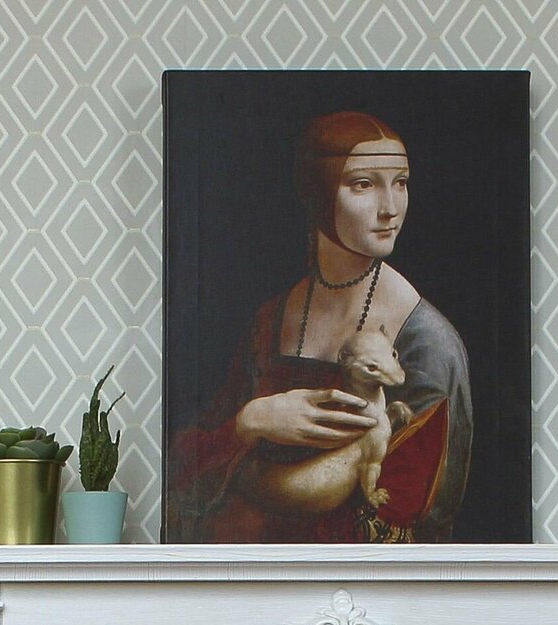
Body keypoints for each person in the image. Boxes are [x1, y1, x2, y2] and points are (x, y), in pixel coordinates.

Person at [166, 111, 473, 543]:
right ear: (317, 191)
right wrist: (251, 420)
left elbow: (401, 514)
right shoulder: (270, 321)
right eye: (363, 184)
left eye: (401, 183)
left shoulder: (427, 344)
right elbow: (184, 470)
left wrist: (247, 475)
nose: (390, 208)